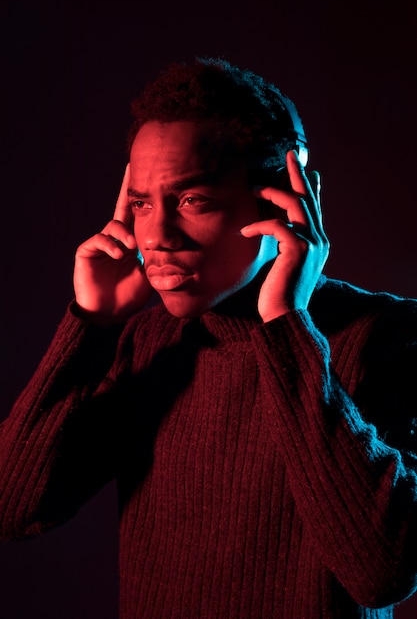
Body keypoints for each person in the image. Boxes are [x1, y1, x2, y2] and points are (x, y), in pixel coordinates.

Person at [1, 58, 417, 619]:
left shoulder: (388, 335)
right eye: (142, 203)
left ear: (284, 201)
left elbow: (381, 572)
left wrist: (286, 326)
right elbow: (12, 508)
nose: (156, 237)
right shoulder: (149, 343)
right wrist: (89, 324)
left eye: (192, 201)